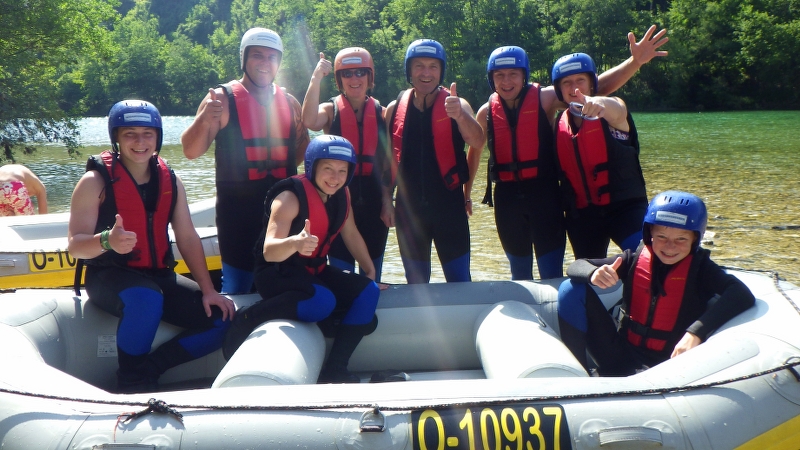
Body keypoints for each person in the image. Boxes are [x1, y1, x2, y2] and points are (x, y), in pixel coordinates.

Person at [466, 26, 669, 280]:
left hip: (549, 198)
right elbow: (475, 150)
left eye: (513, 74)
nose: (506, 81)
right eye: (500, 75)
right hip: (513, 203)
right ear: (491, 78)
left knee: (556, 273)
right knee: (522, 273)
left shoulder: (546, 99)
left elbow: (597, 90)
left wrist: (634, 62)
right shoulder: (486, 112)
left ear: (524, 75)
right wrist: (466, 193)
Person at [68, 100, 235, 392]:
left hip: (158, 275)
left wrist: (209, 290)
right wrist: (107, 240)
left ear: (158, 137)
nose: (140, 142)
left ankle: (150, 369)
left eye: (147, 134)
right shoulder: (94, 182)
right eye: (130, 134)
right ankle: (131, 380)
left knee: (222, 318)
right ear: (116, 138)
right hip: (108, 276)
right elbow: (75, 246)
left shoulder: (171, 180)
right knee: (146, 299)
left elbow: (187, 237)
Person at [222, 135, 384, 383]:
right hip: (276, 272)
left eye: (342, 171)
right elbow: (269, 251)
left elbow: (350, 233)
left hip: (313, 270)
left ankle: (336, 369)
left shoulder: (342, 193)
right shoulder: (289, 198)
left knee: (368, 291)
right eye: (328, 168)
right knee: (322, 302)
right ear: (312, 167)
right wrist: (295, 243)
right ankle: (249, 316)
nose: (335, 177)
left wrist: (369, 272)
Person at [556, 191, 755, 376]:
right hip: (619, 353)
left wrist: (696, 333)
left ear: (695, 239)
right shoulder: (633, 259)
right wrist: (593, 273)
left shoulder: (702, 270)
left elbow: (741, 293)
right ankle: (577, 376)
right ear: (649, 234)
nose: (670, 246)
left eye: (681, 239)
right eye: (662, 237)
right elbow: (576, 266)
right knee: (570, 288)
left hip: (668, 364)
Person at [181, 27, 310, 294]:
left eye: (271, 57)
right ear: (244, 58)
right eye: (257, 55)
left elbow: (301, 153)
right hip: (237, 217)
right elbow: (191, 151)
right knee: (238, 286)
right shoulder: (221, 100)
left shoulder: (290, 103)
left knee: (284, 287)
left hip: (281, 216)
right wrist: (203, 119)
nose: (265, 63)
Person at [384, 39, 484, 284]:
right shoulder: (394, 109)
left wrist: (459, 116)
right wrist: (386, 201)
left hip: (449, 208)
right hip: (409, 212)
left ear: (441, 71)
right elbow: (388, 160)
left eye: (433, 66)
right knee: (416, 283)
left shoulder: (458, 105)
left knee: (459, 280)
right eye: (419, 66)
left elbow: (478, 141)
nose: (426, 73)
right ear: (409, 71)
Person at [301, 48, 392, 281]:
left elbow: (387, 165)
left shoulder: (382, 114)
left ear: (370, 77)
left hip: (373, 204)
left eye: (360, 72)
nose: (354, 78)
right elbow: (309, 120)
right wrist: (316, 78)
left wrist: (387, 201)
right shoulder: (330, 110)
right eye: (347, 73)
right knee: (342, 275)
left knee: (373, 275)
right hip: (338, 200)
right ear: (339, 80)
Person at [552, 52, 648, 259]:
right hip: (583, 215)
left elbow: (618, 110)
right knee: (586, 271)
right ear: (559, 89)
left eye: (580, 80)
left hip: (625, 208)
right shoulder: (559, 123)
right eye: (566, 82)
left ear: (592, 84)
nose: (574, 88)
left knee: (647, 260)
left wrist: (599, 104)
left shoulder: (612, 110)